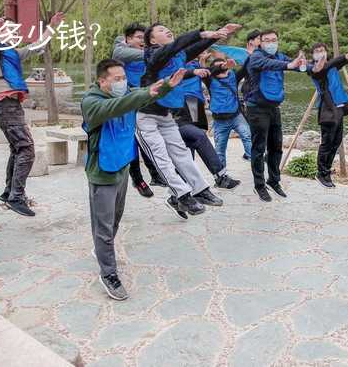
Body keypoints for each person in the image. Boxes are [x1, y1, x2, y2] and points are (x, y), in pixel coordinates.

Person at [81, 59, 184, 300]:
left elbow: (139, 96)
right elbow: (119, 105)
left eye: (124, 77)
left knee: (114, 219)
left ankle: (102, 251)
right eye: (116, 79)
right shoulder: (91, 102)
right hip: (102, 172)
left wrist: (167, 86)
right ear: (102, 81)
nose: (122, 82)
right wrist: (144, 92)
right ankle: (108, 273)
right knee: (103, 225)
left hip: (122, 167)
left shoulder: (127, 93)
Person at [138, 22, 241, 218]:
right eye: (160, 30)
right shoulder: (153, 56)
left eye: (168, 27)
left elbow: (191, 51)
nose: (167, 29)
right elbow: (176, 46)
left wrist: (217, 35)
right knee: (162, 159)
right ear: (151, 40)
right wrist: (201, 33)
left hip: (167, 115)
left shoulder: (176, 56)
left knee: (182, 154)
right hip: (147, 116)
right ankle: (181, 195)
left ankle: (200, 189)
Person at [0, 12, 64, 217]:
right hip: (4, 105)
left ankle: (9, 192)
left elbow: (38, 45)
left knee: (18, 149)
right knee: (26, 149)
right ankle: (16, 198)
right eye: (9, 29)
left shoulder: (13, 53)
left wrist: (52, 26)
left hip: (9, 105)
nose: (13, 32)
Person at [244, 29, 306, 201]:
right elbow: (272, 65)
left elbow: (296, 65)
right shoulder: (255, 57)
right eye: (267, 40)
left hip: (274, 108)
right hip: (256, 108)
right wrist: (288, 65)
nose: (271, 43)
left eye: (274, 40)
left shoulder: (279, 55)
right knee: (258, 148)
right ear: (260, 43)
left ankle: (274, 180)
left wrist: (307, 65)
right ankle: (259, 185)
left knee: (276, 146)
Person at [111, 23, 167, 197]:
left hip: (144, 99)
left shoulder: (148, 53)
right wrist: (155, 52)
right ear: (128, 39)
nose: (142, 41)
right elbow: (119, 53)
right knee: (132, 141)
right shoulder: (121, 50)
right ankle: (138, 179)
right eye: (138, 38)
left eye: (144, 38)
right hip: (127, 102)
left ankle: (156, 174)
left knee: (146, 137)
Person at [175, 53, 241, 189]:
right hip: (189, 100)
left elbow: (209, 73)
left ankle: (189, 178)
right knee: (193, 138)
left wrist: (204, 62)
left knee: (193, 139)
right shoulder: (180, 63)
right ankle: (193, 178)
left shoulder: (194, 64)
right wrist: (221, 66)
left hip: (196, 101)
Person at [307, 41, 348, 187]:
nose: (320, 52)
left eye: (322, 50)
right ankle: (321, 173)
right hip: (327, 108)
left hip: (339, 106)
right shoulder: (313, 68)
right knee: (327, 142)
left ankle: (326, 170)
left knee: (336, 141)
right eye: (317, 50)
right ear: (312, 55)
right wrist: (347, 54)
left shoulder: (332, 65)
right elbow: (328, 65)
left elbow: (346, 60)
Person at [205, 56, 253, 167]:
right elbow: (205, 71)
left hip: (236, 116)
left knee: (247, 136)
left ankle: (252, 159)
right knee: (220, 150)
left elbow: (245, 68)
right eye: (220, 66)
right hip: (219, 120)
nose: (224, 68)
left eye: (225, 65)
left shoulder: (234, 76)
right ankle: (221, 176)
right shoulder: (209, 79)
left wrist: (250, 56)